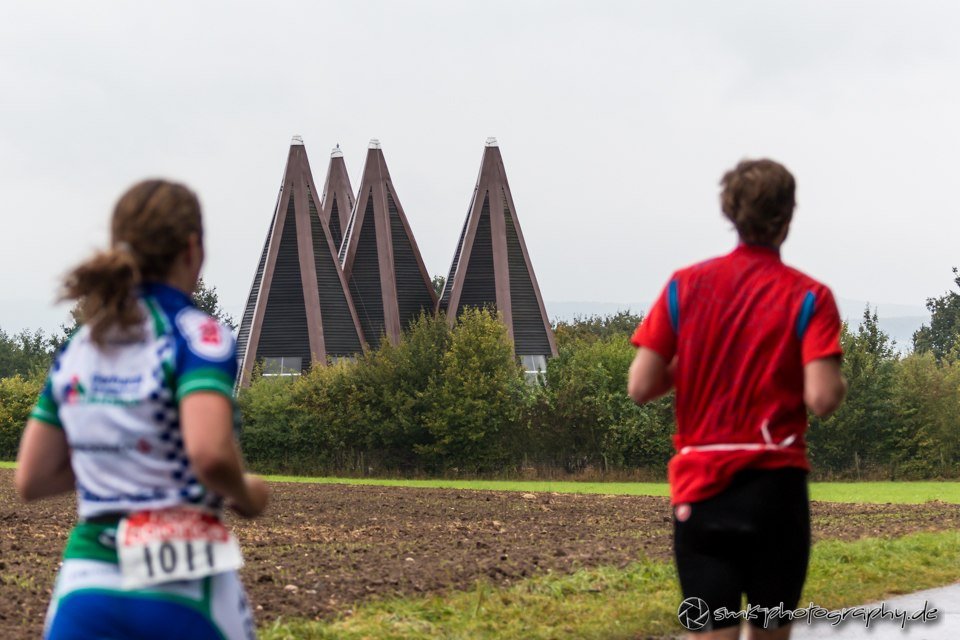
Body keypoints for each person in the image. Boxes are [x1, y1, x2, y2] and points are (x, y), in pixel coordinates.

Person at [15, 179, 269, 640]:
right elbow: (209, 453)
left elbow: (31, 478)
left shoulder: (80, 346)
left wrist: (118, 457)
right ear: (192, 249)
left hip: (85, 587)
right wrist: (248, 494)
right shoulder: (198, 335)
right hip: (185, 585)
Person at [628, 159, 846, 640]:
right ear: (788, 216)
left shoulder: (684, 286)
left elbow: (641, 385)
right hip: (775, 491)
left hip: (703, 490)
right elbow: (823, 397)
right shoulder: (810, 296)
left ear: (731, 213)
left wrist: (692, 366)